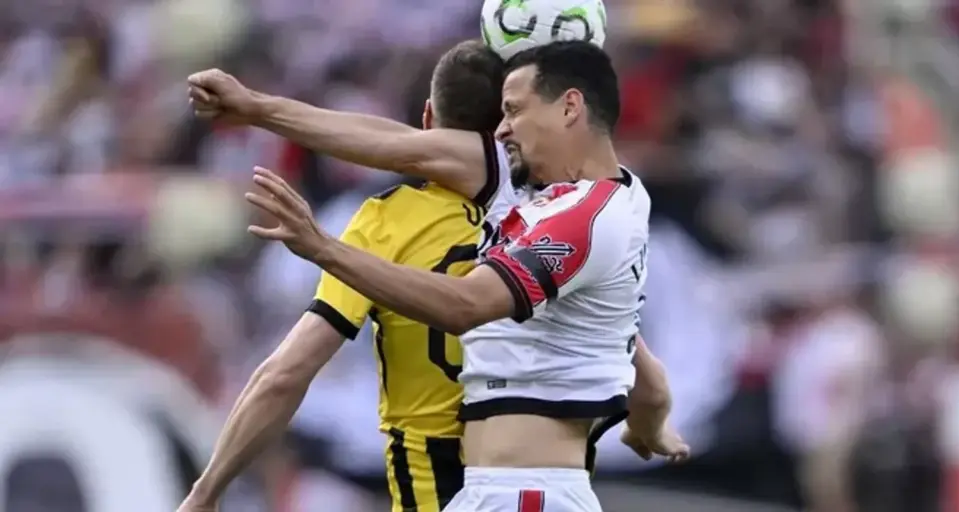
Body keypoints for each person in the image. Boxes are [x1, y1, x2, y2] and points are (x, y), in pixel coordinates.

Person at [193, 41, 686, 512]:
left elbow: (461, 303)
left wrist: (323, 246)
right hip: (511, 484)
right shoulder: (545, 205)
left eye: (518, 112)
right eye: (505, 113)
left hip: (499, 487)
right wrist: (649, 421)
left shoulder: (571, 218)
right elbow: (647, 379)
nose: (506, 131)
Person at [177, 41, 507, 512]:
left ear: (429, 117)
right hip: (536, 469)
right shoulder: (547, 204)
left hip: (434, 481)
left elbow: (285, 373)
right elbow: (394, 142)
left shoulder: (384, 224)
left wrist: (205, 492)